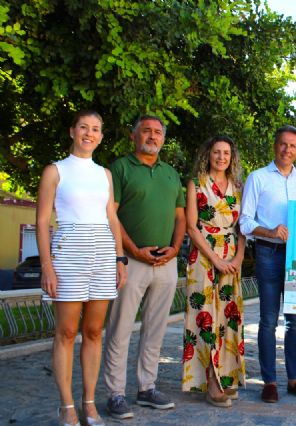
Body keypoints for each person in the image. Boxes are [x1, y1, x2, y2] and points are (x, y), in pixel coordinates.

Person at [36, 110, 127, 426]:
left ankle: (89, 403)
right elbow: (42, 220)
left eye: (96, 129)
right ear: (72, 131)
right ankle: (67, 406)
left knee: (93, 331)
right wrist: (47, 266)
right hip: (68, 252)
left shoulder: (104, 174)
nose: (90, 133)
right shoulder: (55, 171)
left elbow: (112, 218)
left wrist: (119, 259)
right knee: (66, 331)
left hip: (102, 251)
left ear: (101, 136)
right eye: (84, 127)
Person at [103, 115, 186, 419]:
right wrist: (132, 250)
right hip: (132, 262)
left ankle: (146, 387)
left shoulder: (171, 174)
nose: (152, 136)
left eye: (158, 132)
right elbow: (111, 216)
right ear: (134, 135)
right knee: (120, 328)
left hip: (166, 262)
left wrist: (176, 248)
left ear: (163, 139)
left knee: (155, 329)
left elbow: (180, 217)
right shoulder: (120, 168)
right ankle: (115, 393)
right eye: (146, 131)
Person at [239, 125, 296, 403]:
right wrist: (270, 231)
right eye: (283, 144)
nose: (287, 150)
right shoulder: (258, 178)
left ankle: (294, 379)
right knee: (268, 320)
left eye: (293, 146)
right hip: (268, 253)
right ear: (275, 146)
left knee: (295, 321)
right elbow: (245, 221)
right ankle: (269, 381)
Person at [181, 136, 246, 408]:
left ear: (232, 157)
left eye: (226, 153)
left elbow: (244, 227)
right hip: (204, 257)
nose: (221, 157)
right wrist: (215, 260)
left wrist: (239, 257)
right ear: (208, 154)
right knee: (205, 318)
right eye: (217, 152)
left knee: (227, 319)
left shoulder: (239, 188)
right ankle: (210, 382)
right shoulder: (195, 184)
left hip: (231, 256)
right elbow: (192, 227)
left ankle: (226, 377)